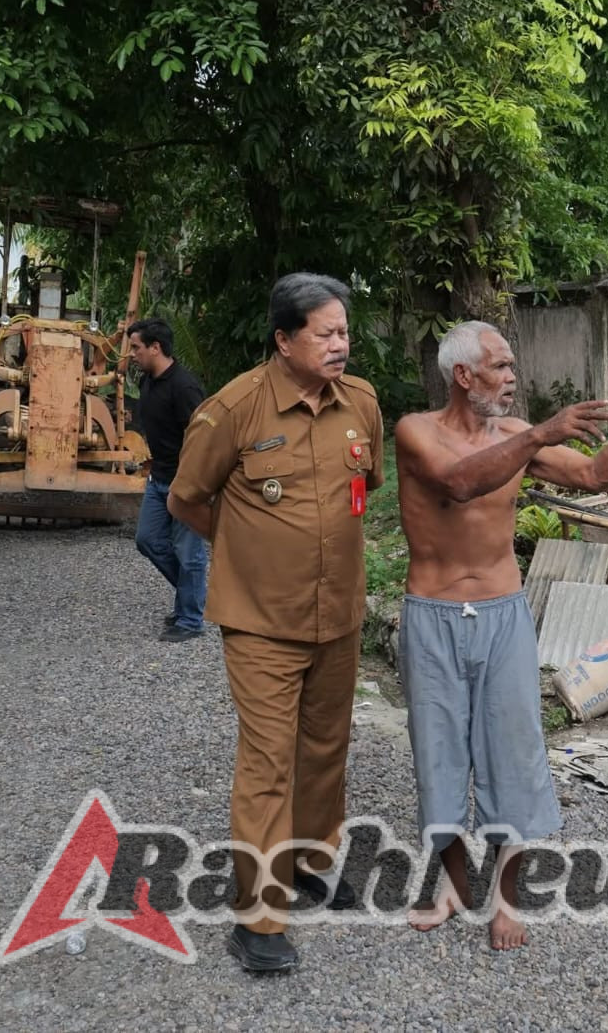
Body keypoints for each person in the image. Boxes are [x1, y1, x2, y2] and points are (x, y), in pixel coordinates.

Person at [393, 320, 608, 951]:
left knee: (513, 755)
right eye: (501, 367)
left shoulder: (515, 438)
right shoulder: (414, 432)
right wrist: (540, 431)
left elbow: (593, 475)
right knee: (439, 755)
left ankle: (505, 898)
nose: (512, 378)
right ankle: (455, 886)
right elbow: (459, 483)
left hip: (504, 613)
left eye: (511, 367)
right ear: (463, 376)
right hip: (432, 615)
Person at [168, 273, 385, 973]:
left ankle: (312, 862)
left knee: (325, 747)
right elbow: (187, 499)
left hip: (339, 612)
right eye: (325, 333)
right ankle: (258, 914)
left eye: (344, 331)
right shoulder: (232, 407)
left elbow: (363, 489)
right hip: (261, 621)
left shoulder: (361, 403)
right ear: (284, 339)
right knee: (267, 760)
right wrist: (248, 552)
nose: (340, 345)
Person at [126, 318, 210, 643]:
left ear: (155, 347)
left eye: (136, 347)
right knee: (147, 540)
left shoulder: (185, 387)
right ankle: (193, 597)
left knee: (189, 553)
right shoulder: (148, 382)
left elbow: (204, 438)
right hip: (159, 478)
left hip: (187, 482)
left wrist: (195, 483)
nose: (132, 354)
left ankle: (191, 620)